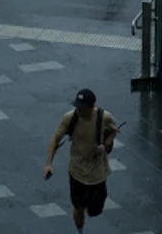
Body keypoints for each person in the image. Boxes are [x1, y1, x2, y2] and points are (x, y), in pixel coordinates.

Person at [44, 88, 121, 231]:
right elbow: (55, 139)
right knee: (78, 206)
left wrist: (104, 145)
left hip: (98, 172)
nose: (78, 110)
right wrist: (49, 164)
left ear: (91, 107)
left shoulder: (104, 117)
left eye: (82, 108)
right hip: (77, 170)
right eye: (77, 106)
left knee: (95, 210)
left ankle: (88, 206)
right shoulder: (70, 118)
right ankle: (80, 229)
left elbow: (113, 131)